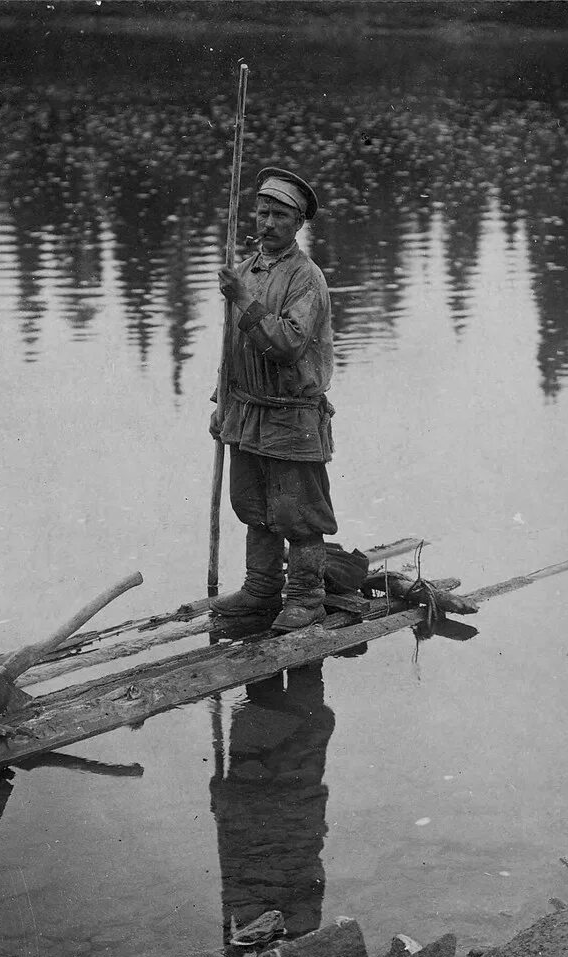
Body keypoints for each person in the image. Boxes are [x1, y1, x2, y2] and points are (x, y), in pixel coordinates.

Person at [210, 166, 337, 633]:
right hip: (246, 409)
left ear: (299, 223)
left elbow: (287, 345)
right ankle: (261, 588)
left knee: (297, 512)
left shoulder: (307, 278)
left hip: (292, 414)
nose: (267, 223)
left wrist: (243, 299)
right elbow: (231, 344)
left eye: (280, 215)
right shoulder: (244, 271)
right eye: (262, 212)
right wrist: (221, 403)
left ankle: (306, 597)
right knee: (254, 505)